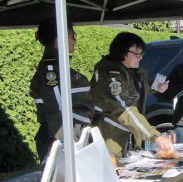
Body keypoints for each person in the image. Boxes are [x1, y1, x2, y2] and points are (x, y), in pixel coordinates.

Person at [90, 32, 171, 158]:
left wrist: (156, 88)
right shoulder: (111, 75)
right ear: (122, 52)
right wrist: (156, 136)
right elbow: (125, 108)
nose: (141, 57)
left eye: (142, 54)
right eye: (137, 53)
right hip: (109, 138)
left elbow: (137, 91)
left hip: (124, 138)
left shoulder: (131, 72)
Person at [30, 18, 94, 162]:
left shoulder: (61, 67)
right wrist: (69, 144)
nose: (75, 40)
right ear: (59, 39)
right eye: (72, 36)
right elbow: (57, 110)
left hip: (72, 137)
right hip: (60, 140)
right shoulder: (51, 70)